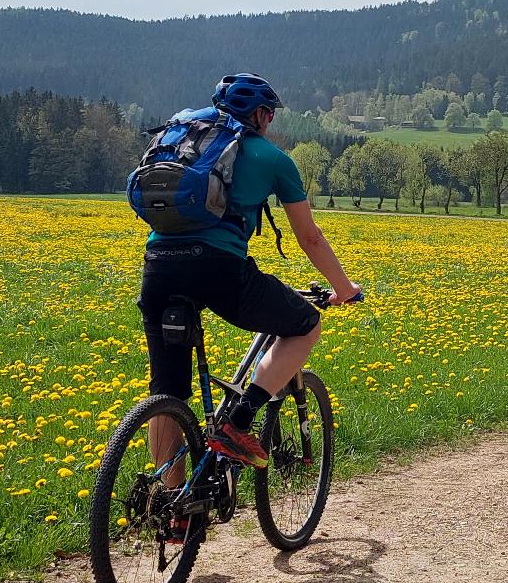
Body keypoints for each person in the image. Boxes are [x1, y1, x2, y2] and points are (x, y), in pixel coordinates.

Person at [137, 72, 360, 478]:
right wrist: (343, 288)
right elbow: (309, 237)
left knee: (168, 391)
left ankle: (171, 506)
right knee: (306, 325)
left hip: (158, 265)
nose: (270, 122)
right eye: (269, 114)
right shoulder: (271, 159)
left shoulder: (187, 139)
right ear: (259, 114)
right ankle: (238, 423)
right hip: (217, 269)